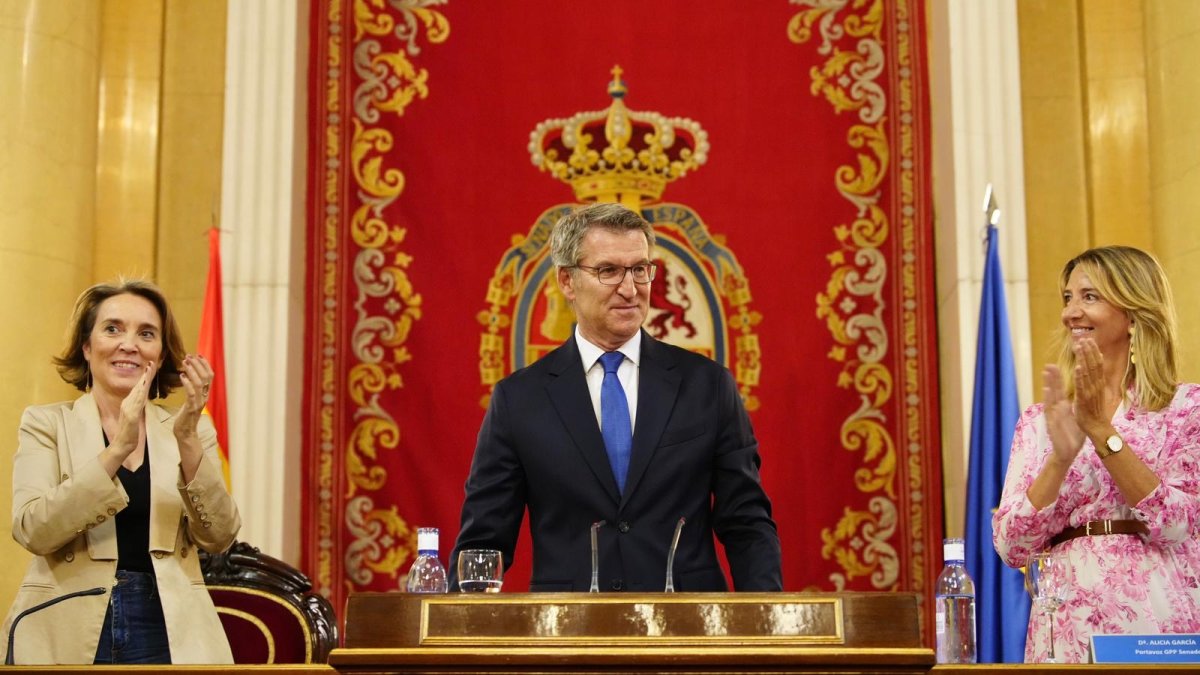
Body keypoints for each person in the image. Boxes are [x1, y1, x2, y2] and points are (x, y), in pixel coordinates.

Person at [450, 202, 781, 592]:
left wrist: (765, 626)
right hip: (568, 634)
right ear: (567, 281)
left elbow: (746, 522)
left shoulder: (707, 385)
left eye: (640, 269)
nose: (630, 288)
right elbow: (484, 544)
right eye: (608, 271)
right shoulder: (520, 399)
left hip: (687, 631)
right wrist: (464, 633)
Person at [1, 279, 240, 665]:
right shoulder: (45, 423)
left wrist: (187, 439)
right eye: (112, 329)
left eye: (146, 334)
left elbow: (220, 536)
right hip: (65, 616)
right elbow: (33, 529)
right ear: (86, 346)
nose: (129, 344)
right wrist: (117, 451)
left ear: (160, 356)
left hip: (166, 620)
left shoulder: (191, 429)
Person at [993, 246, 1200, 663]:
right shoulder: (1039, 422)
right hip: (1065, 622)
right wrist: (1059, 459)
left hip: (1157, 623)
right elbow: (1011, 544)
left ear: (1134, 314)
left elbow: (1177, 523)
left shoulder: (1185, 409)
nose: (1071, 312)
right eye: (1068, 298)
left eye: (1090, 297)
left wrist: (1102, 433)